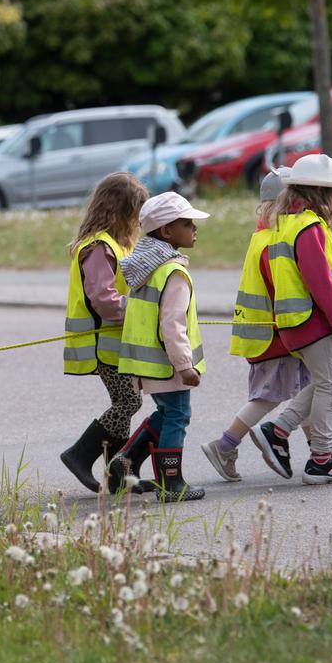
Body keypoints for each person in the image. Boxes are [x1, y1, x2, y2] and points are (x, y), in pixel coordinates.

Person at [201, 170, 332, 482]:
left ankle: (320, 449)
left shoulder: (269, 234)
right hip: (281, 331)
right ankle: (230, 444)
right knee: (272, 395)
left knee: (312, 384)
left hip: (282, 329)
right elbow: (296, 286)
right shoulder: (283, 234)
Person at [246, 155, 332, 485]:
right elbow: (320, 281)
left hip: (295, 321)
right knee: (331, 384)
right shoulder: (308, 227)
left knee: (322, 381)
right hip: (312, 321)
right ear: (320, 193)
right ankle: (321, 459)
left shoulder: (284, 224)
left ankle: (278, 429)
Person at [110, 192, 210, 502]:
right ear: (167, 231)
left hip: (147, 363)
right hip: (169, 364)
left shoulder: (145, 268)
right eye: (187, 223)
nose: (194, 228)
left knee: (167, 412)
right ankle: (171, 482)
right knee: (178, 415)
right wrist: (185, 365)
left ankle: (125, 460)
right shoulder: (173, 272)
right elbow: (172, 324)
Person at [59, 172, 147, 494]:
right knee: (128, 401)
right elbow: (103, 299)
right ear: (121, 210)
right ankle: (80, 455)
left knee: (126, 401)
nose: (138, 221)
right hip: (102, 343)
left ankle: (118, 475)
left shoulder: (117, 246)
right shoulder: (98, 247)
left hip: (115, 343)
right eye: (136, 213)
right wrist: (141, 311)